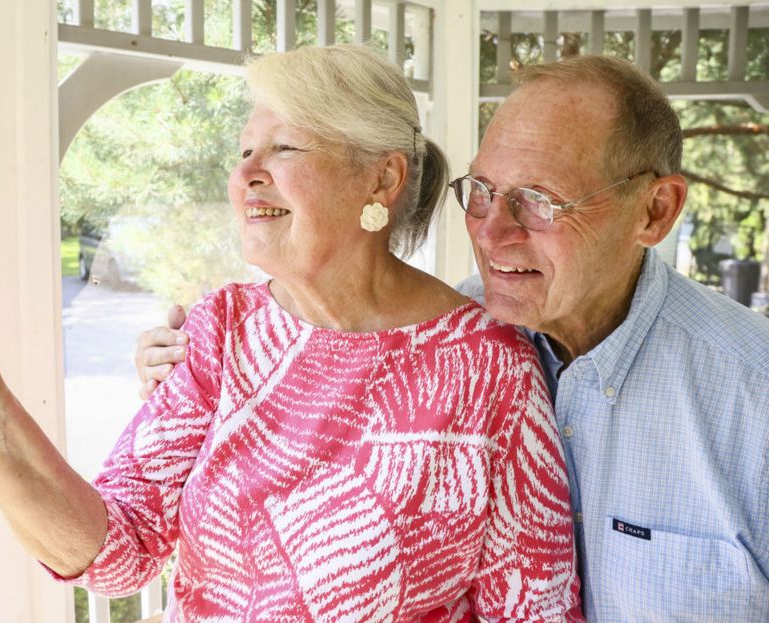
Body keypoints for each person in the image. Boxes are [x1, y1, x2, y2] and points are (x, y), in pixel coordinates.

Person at [0, 44, 583, 621]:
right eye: (242, 153)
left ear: (382, 177)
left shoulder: (492, 369)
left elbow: (534, 607)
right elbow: (116, 550)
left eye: (283, 148)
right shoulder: (224, 329)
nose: (245, 176)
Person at [137, 54, 769, 621]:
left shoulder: (753, 397)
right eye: (484, 192)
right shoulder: (445, 345)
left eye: (539, 201)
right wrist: (183, 381)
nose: (493, 232)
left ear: (655, 211)